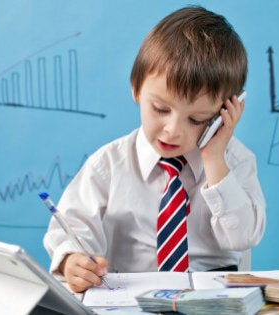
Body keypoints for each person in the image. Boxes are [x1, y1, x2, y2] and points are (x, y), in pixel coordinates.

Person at [43, 5, 266, 293]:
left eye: (196, 119)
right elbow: (70, 228)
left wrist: (214, 159)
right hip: (130, 300)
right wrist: (71, 261)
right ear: (136, 88)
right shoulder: (109, 164)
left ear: (224, 112)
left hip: (210, 301)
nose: (173, 129)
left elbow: (243, 237)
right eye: (161, 109)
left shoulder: (235, 161)